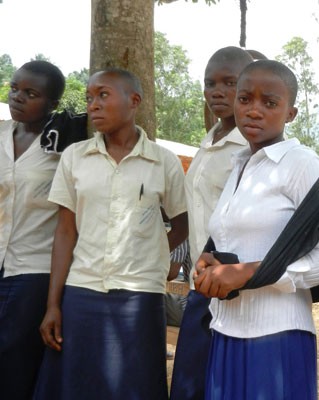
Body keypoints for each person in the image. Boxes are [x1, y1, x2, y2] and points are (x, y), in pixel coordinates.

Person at [194, 59, 319, 400]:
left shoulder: (299, 164)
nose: (254, 110)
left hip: (276, 336)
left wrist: (249, 273)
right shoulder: (240, 165)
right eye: (245, 99)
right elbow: (231, 236)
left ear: (291, 113)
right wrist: (210, 260)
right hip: (226, 328)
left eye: (269, 103)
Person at [33, 68, 188, 399]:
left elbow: (183, 223)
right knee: (76, 385)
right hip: (81, 291)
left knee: (136, 385)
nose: (93, 105)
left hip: (140, 296)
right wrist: (53, 304)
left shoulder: (163, 162)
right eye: (89, 98)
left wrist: (155, 250)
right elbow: (64, 232)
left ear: (134, 101)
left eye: (103, 95)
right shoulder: (76, 157)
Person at [169, 46, 254, 400]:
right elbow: (195, 211)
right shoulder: (208, 143)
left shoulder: (250, 147)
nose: (217, 91)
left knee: (222, 382)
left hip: (233, 287)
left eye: (229, 83)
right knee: (189, 380)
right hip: (198, 284)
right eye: (210, 83)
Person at [0, 60, 87, 400]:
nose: (18, 97)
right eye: (14, 89)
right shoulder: (1, 133)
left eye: (31, 93)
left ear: (52, 104)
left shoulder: (65, 149)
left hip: (32, 271)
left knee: (16, 362)